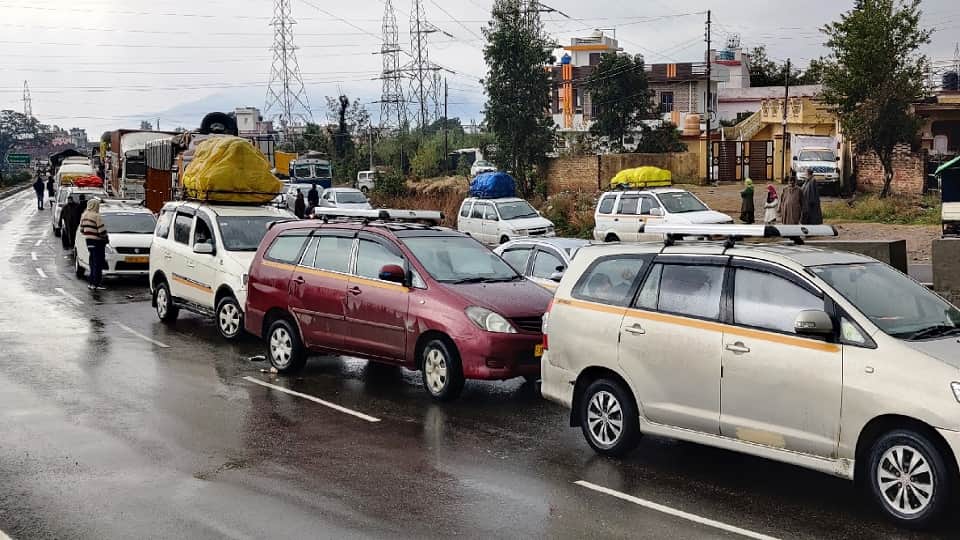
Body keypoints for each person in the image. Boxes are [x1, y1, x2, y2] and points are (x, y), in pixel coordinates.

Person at [79, 198, 109, 291]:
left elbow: (81, 230)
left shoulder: (84, 215)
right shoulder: (96, 216)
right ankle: (97, 283)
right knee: (98, 263)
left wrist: (89, 233)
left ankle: (91, 283)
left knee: (92, 262)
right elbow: (101, 231)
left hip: (89, 241)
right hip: (98, 242)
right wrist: (106, 238)